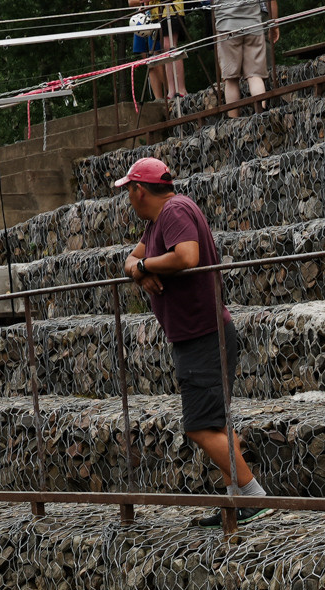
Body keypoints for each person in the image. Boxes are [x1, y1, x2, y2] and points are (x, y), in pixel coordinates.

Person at [116, 157, 273, 524]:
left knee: (200, 426)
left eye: (128, 192)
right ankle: (236, 500)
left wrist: (145, 268)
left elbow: (187, 256)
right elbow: (131, 260)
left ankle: (253, 495)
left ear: (139, 190)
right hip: (200, 334)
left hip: (202, 335)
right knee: (216, 423)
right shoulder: (159, 222)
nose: (128, 199)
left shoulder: (173, 211)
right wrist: (139, 272)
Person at [213, 0, 277, 113]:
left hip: (227, 26)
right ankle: (261, 118)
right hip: (254, 24)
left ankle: (234, 124)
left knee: (231, 79)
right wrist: (273, 23)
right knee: (255, 76)